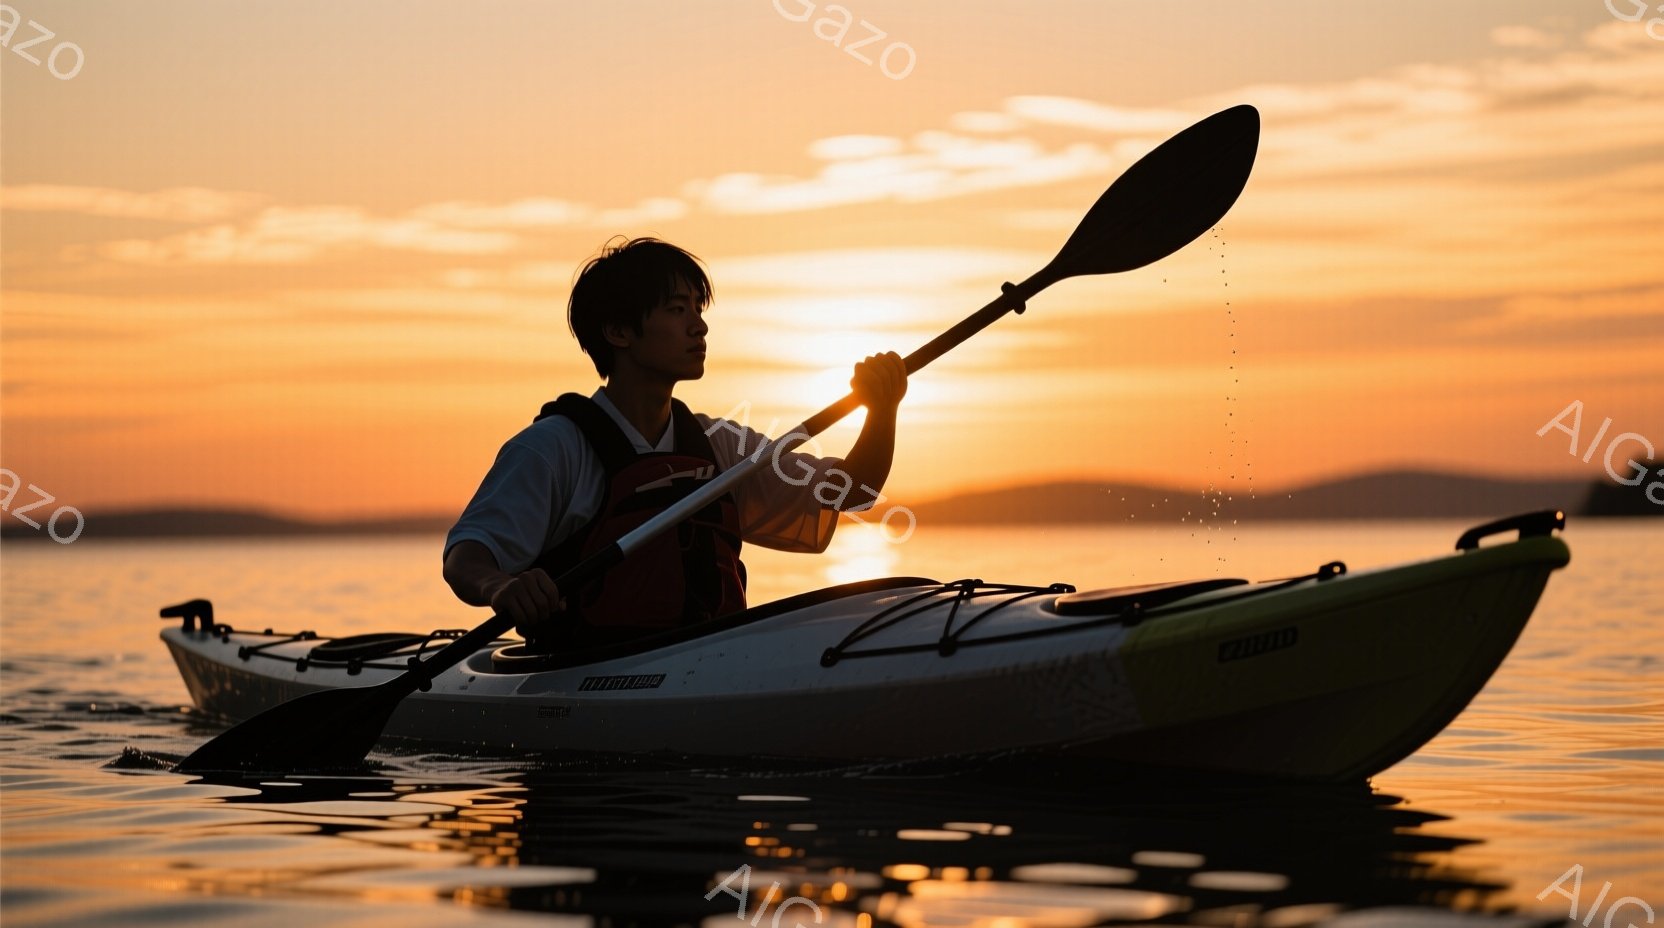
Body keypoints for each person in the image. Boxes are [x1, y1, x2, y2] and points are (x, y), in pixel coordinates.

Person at [442, 237, 908, 648]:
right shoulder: (551, 449)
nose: (699, 326)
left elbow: (855, 493)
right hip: (585, 668)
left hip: (710, 657)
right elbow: (467, 554)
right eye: (676, 309)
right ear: (618, 331)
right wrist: (500, 587)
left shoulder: (722, 446)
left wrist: (882, 409)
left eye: (698, 310)